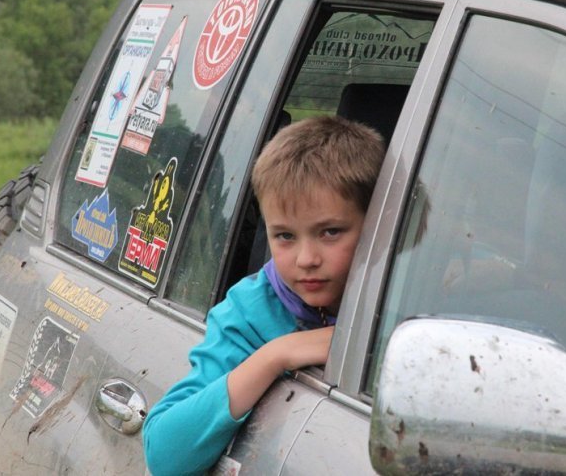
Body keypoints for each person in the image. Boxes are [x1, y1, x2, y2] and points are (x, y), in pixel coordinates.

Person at [142, 115, 386, 475]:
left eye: (331, 232)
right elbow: (164, 456)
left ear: (379, 224)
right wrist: (276, 354)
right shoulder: (250, 312)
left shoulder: (408, 295)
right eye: (285, 236)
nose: (307, 259)